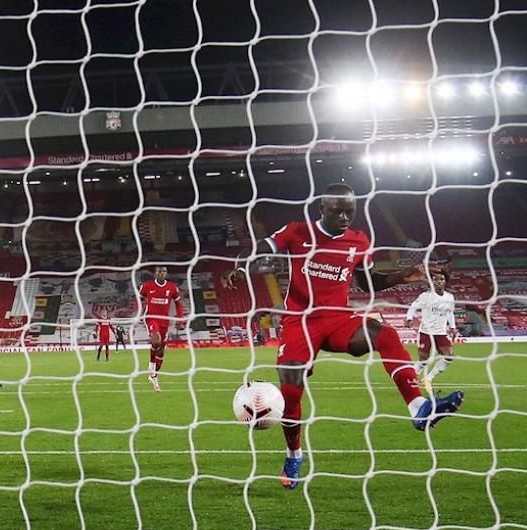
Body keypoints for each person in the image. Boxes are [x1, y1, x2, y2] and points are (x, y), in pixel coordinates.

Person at [223, 183, 464, 489]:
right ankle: (294, 454)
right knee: (292, 392)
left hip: (339, 319)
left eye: (350, 211)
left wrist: (403, 276)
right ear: (321, 209)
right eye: (337, 211)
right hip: (300, 322)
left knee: (386, 335)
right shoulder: (298, 232)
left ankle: (419, 408)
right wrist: (240, 266)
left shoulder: (358, 241)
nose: (344, 217)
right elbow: (262, 246)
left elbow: (367, 283)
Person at [405, 269, 457, 395]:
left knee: (449, 355)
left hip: (440, 333)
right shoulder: (426, 296)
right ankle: (411, 377)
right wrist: (409, 318)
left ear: (445, 282)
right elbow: (413, 306)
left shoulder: (450, 297)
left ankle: (428, 378)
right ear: (432, 282)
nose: (439, 282)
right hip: (426, 332)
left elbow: (449, 313)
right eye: (436, 279)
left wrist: (453, 327)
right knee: (424, 359)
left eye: (441, 279)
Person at [138, 266, 186, 391]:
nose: (162, 274)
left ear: (167, 274)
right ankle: (151, 366)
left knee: (161, 350)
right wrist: (138, 310)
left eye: (164, 272)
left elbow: (178, 304)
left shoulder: (172, 288)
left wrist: (180, 319)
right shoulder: (147, 286)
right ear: (155, 274)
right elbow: (138, 298)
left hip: (164, 321)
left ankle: (154, 375)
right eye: (159, 271)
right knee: (156, 341)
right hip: (151, 318)